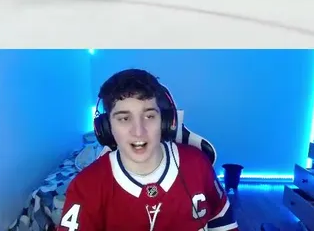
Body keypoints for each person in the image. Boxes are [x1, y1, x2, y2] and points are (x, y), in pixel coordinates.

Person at [58, 69, 237, 231]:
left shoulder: (197, 163)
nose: (139, 131)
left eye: (149, 116)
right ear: (106, 128)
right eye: (124, 119)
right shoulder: (86, 186)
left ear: (166, 122)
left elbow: (222, 220)